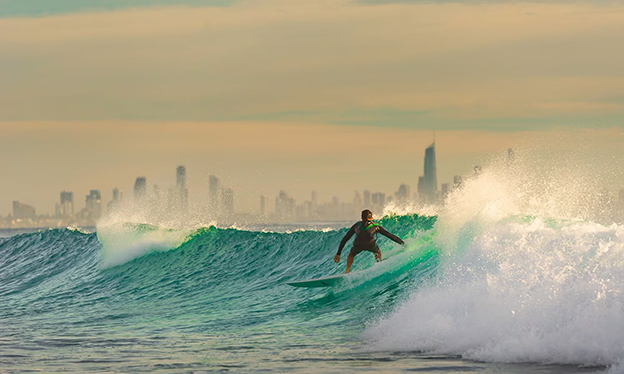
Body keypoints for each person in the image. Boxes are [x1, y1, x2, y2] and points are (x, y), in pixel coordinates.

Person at [334, 209, 404, 273]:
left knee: (351, 254)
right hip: (370, 244)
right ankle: (378, 264)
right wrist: (402, 243)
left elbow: (345, 239)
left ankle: (347, 270)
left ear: (361, 217)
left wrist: (338, 253)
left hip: (358, 244)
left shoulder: (357, 225)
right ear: (371, 218)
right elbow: (390, 235)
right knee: (377, 252)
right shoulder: (376, 226)